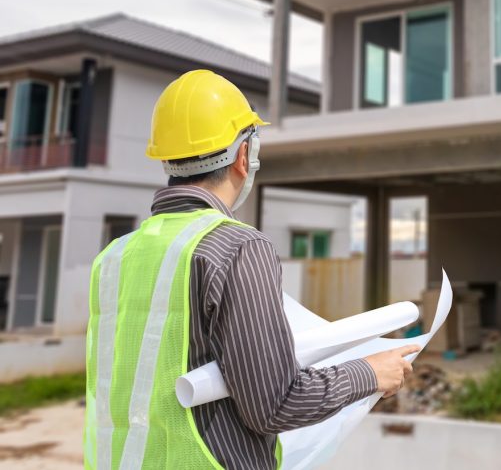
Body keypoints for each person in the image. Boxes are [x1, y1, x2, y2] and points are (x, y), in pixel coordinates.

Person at [84, 69, 417, 469]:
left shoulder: (114, 257)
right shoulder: (237, 247)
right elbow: (276, 404)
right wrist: (369, 373)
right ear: (244, 155)